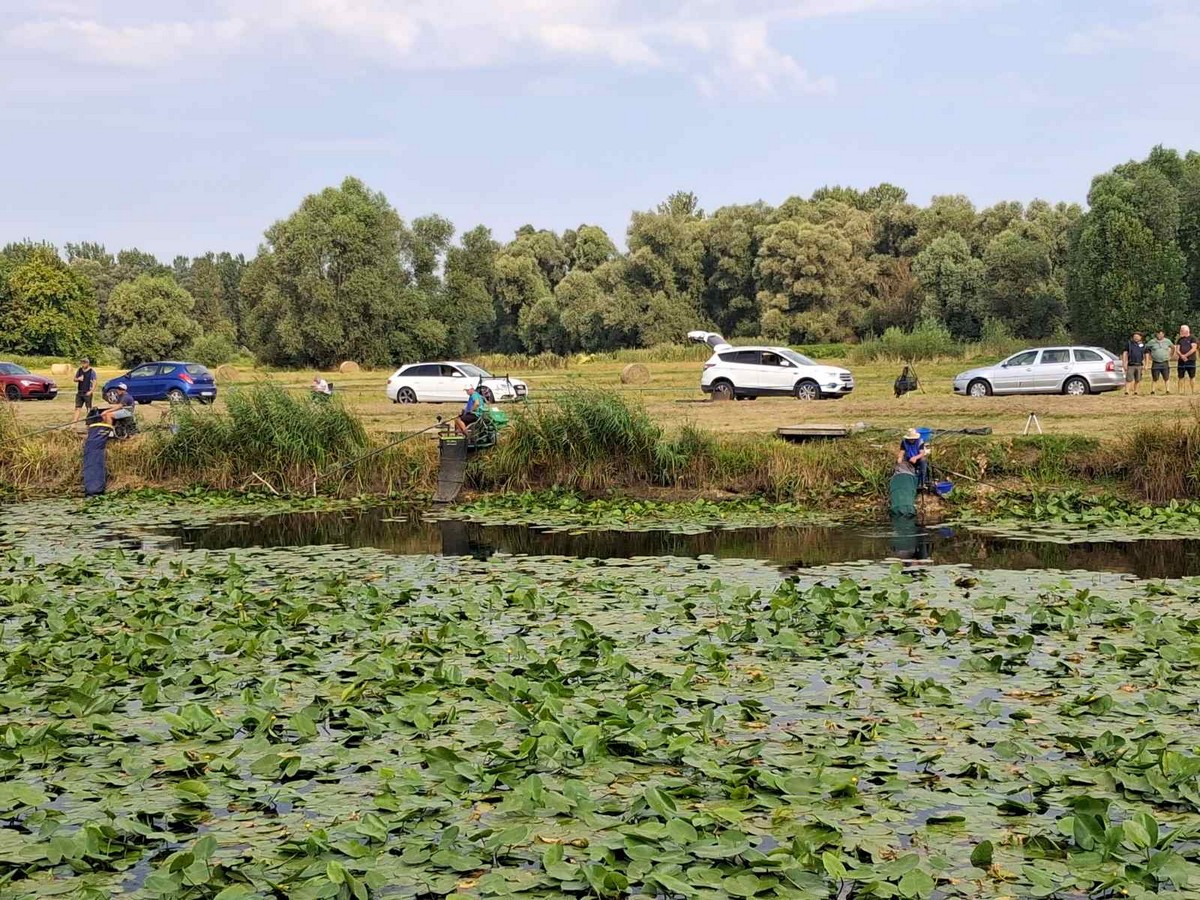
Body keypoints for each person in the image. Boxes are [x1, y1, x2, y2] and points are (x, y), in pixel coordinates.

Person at [1147, 329, 1174, 395]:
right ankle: (1153, 391)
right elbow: (1146, 349)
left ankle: (1168, 390)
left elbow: (1173, 348)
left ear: (1163, 334)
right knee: (1155, 377)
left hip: (1165, 362)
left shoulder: (1167, 341)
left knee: (1166, 377)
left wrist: (1170, 356)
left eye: (1161, 334)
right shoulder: (1152, 342)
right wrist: (1150, 356)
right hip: (1156, 362)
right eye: (1158, 334)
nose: (1159, 335)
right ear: (1156, 334)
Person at [71, 357, 96, 424]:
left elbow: (94, 382)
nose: (83, 364)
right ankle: (74, 423)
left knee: (88, 409)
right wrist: (78, 379)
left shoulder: (92, 371)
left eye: (84, 363)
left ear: (88, 363)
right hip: (80, 392)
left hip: (87, 392)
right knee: (77, 408)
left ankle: (88, 423)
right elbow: (74, 379)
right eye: (82, 363)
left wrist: (91, 391)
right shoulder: (79, 370)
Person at [1123, 331, 1146, 396]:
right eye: (1134, 336)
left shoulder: (1143, 345)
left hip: (1139, 364)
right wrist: (1124, 363)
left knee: (1138, 379)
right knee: (1129, 379)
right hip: (1131, 365)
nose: (1136, 338)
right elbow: (1125, 353)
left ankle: (1136, 392)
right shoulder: (1129, 344)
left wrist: (1146, 364)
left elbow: (1146, 354)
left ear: (1140, 337)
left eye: (1137, 336)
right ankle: (1127, 391)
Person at [1178, 325, 1197, 394]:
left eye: (1181, 330)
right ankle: (1180, 392)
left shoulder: (1193, 338)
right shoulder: (1180, 339)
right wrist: (1181, 356)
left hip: (1191, 360)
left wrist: (1185, 355)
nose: (1180, 332)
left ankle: (1193, 391)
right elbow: (1177, 349)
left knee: (1192, 376)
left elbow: (1194, 348)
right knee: (1180, 377)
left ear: (1186, 331)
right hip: (1181, 361)